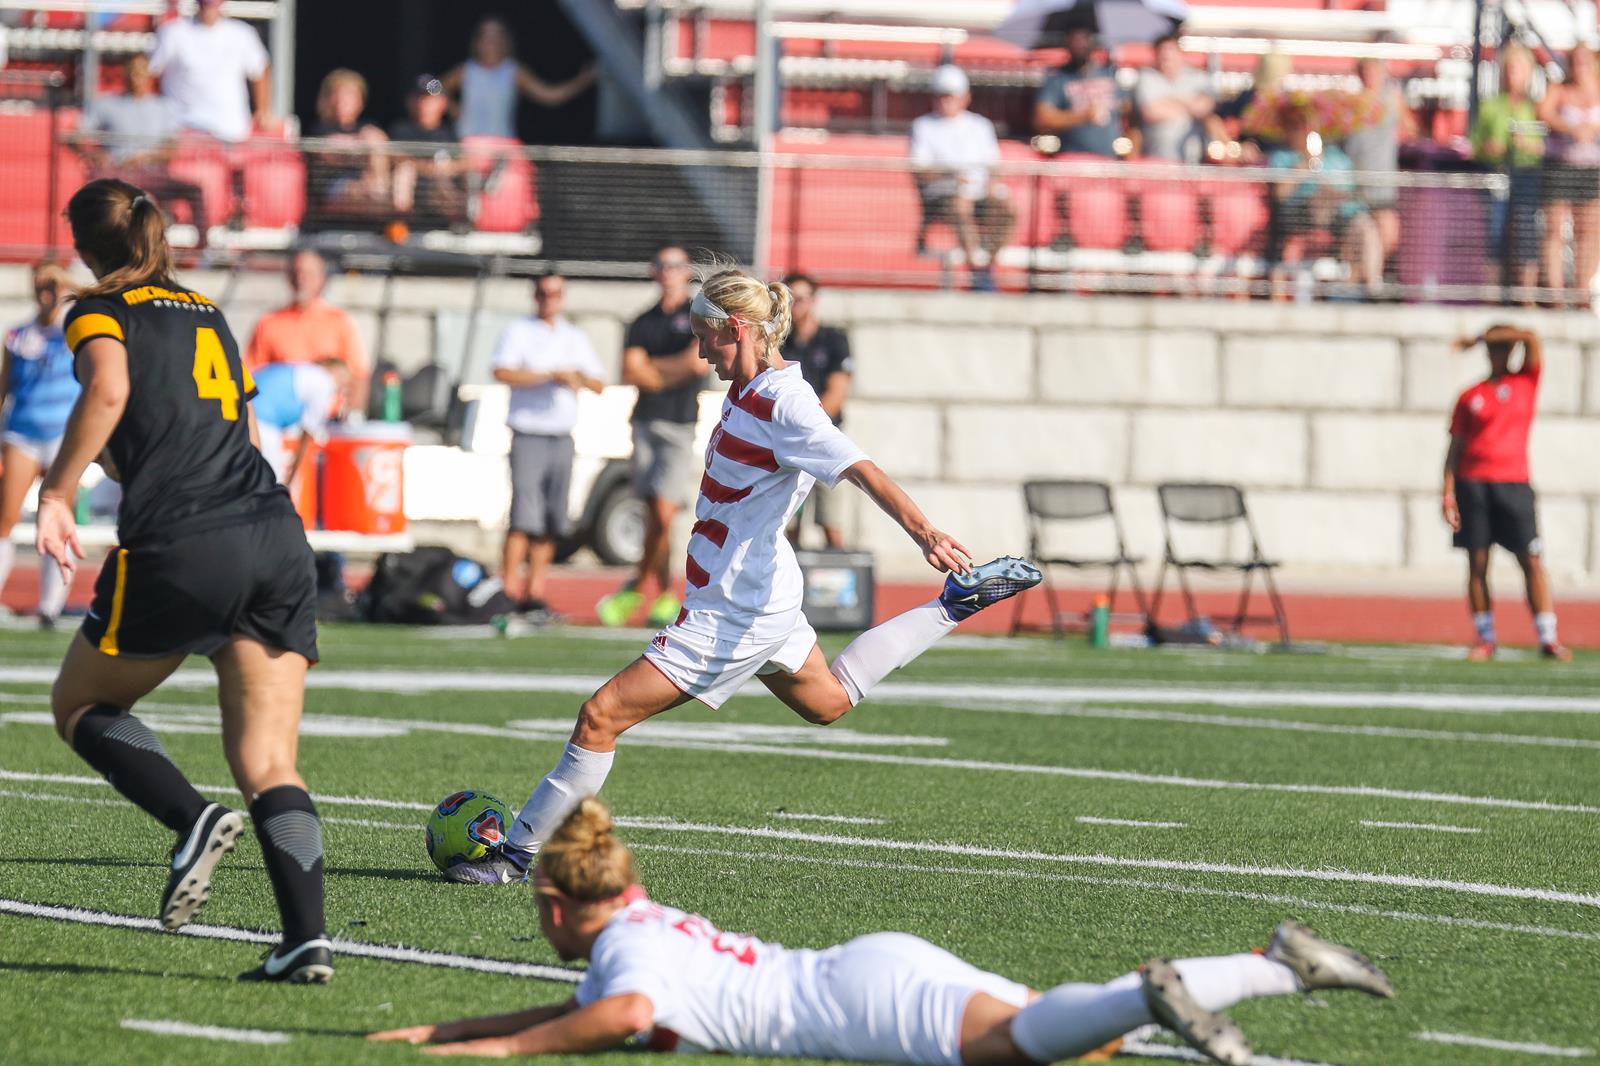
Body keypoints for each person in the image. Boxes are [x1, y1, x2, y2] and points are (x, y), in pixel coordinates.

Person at [475, 264, 1042, 882]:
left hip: (735, 609)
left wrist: (927, 533)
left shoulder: (786, 400)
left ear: (737, 329)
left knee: (600, 716)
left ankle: (517, 854)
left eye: (705, 337)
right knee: (828, 702)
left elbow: (861, 468)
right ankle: (953, 605)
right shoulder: (748, 390)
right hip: (758, 592)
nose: (699, 351)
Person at [371, 798, 1395, 1065]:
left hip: (859, 1006)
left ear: (555, 905)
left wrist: (504, 1047)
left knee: (1028, 1048)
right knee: (1079, 1035)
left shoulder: (626, 956)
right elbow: (590, 1002)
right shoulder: (640, 918)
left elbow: (622, 1011)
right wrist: (456, 1030)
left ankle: (1155, 988)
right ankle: (1275, 967)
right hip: (874, 964)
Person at [36, 178, 330, 982]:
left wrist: (57, 491)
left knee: (81, 705)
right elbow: (236, 423)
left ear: (84, 247)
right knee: (270, 759)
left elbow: (109, 388)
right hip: (272, 531)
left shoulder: (98, 309)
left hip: (185, 537)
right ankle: (306, 940)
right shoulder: (208, 310)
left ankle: (191, 818)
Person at [1442, 325, 1569, 661]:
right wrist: (1447, 492)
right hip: (1473, 484)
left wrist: (1479, 336)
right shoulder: (1470, 395)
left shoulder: (1525, 382)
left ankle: (1548, 637)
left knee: (1531, 560)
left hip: (1514, 484)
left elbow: (1532, 337)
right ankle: (1485, 639)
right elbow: (1455, 447)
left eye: (1504, 347)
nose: (1500, 353)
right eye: (1495, 348)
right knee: (1478, 562)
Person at [595, 246, 704, 629]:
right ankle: (661, 592)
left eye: (675, 265)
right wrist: (668, 371)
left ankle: (643, 585)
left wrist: (654, 370)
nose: (669, 272)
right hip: (645, 421)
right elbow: (632, 371)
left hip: (678, 422)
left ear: (686, 270)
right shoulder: (642, 320)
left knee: (664, 511)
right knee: (651, 511)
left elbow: (695, 363)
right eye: (662, 265)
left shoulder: (698, 314)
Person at [492, 273, 606, 618]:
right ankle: (507, 589)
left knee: (551, 518)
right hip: (529, 432)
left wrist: (576, 377)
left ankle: (534, 591)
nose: (549, 300)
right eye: (544, 293)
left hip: (561, 434)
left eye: (555, 294)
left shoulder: (574, 336)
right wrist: (549, 375)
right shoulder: (519, 332)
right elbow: (501, 371)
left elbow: (598, 383)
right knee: (524, 517)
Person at [0, 261, 79, 625]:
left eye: (51, 284)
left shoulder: (75, 332)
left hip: (64, 434)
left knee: (59, 515)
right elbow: (4, 387)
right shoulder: (17, 335)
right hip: (23, 433)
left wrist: (64, 287)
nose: (45, 291)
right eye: (39, 285)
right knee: (6, 519)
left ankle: (51, 605)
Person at [72, 54, 210, 248]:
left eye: (141, 72)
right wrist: (96, 155)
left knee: (194, 190)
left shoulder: (164, 108)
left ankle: (204, 250)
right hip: (117, 172)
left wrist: (147, 156)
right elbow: (75, 136)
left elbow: (171, 149)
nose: (136, 77)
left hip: (152, 172)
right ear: (124, 74)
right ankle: (93, 245)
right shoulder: (106, 104)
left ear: (150, 76)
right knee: (100, 188)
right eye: (132, 72)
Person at [910, 65, 1014, 291]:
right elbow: (920, 170)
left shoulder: (980, 126)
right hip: (942, 196)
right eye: (942, 96)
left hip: (978, 194)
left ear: (965, 98)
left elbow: (993, 166)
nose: (946, 102)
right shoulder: (923, 127)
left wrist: (991, 184)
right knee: (960, 205)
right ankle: (978, 271)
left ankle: (984, 264)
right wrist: (953, 176)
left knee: (1008, 209)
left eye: (951, 96)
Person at [1266, 102, 1384, 298]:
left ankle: (1373, 290)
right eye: (1295, 127)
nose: (1302, 132)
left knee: (1367, 229)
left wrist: (1329, 190)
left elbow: (1349, 192)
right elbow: (1280, 194)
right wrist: (1304, 166)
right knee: (1317, 202)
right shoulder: (1282, 158)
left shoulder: (1336, 158)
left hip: (1338, 218)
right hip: (1298, 218)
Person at [245, 249, 371, 412]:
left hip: (328, 422)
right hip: (282, 421)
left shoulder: (340, 322)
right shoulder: (268, 323)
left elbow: (359, 376)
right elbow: (251, 376)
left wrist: (354, 416)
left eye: (308, 273)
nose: (301, 279)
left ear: (322, 279)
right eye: (297, 272)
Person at [779, 273, 852, 550]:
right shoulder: (780, 344)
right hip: (792, 442)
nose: (796, 306)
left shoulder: (833, 339)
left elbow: (837, 394)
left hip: (825, 440)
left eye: (801, 299)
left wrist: (806, 424)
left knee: (830, 521)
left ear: (813, 301)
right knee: (788, 527)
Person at [1471, 43, 1545, 299]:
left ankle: (1527, 295)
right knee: (1495, 230)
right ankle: (1491, 294)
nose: (1515, 74)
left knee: (1526, 230)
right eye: (1511, 68)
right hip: (1498, 174)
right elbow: (1475, 145)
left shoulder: (1535, 106)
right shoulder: (1492, 106)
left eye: (1520, 68)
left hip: (1526, 175)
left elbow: (1545, 144)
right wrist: (1490, 148)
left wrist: (1528, 144)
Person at [443, 17, 596, 141]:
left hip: (502, 147)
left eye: (497, 36)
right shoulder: (465, 70)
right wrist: (451, 106)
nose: (491, 42)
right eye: (486, 36)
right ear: (477, 41)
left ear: (505, 40)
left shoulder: (513, 71)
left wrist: (582, 81)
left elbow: (550, 95)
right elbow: (431, 84)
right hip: (467, 146)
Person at [147, 0, 271, 143]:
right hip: (183, 130)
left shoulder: (242, 33)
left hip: (232, 132)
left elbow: (260, 68)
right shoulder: (172, 31)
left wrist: (263, 110)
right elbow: (150, 72)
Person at [1537, 44, 1600, 307]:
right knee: (1555, 229)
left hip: (1591, 169)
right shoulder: (1559, 89)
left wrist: (1592, 128)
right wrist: (1572, 128)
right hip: (1561, 166)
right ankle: (1556, 293)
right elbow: (1543, 112)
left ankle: (1582, 291)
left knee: (1589, 231)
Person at [1342, 58, 1416, 269]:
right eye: (1366, 71)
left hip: (1383, 181)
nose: (1370, 76)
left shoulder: (1392, 99)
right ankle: (1365, 279)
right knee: (1359, 234)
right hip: (1354, 181)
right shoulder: (1351, 102)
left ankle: (1366, 277)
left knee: (1388, 234)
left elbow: (1410, 129)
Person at [305, 68, 391, 229]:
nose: (342, 101)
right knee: (361, 191)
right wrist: (362, 145)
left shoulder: (368, 128)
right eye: (338, 95)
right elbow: (329, 152)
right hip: (334, 190)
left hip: (370, 184)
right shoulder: (320, 128)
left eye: (350, 95)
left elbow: (381, 144)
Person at [249, 359, 349, 484]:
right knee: (269, 482)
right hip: (263, 425)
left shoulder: (300, 370)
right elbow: (308, 434)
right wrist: (290, 481)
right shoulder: (324, 382)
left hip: (245, 416)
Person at [390, 74, 464, 231]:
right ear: (410, 102)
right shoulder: (401, 131)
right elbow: (395, 158)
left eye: (429, 99)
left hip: (443, 197)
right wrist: (429, 169)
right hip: (414, 199)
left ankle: (461, 223)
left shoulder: (450, 134)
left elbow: (468, 161)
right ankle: (399, 222)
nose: (423, 104)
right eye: (419, 99)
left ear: (442, 103)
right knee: (405, 170)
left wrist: (448, 168)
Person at [1033, 27, 1122, 157]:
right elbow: (1042, 119)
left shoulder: (1110, 73)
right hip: (1072, 160)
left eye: (1084, 39)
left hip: (1109, 161)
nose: (1080, 44)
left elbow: (1131, 118)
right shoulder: (1058, 78)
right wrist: (1083, 116)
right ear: (1067, 44)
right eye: (1075, 40)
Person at [1135, 34, 1216, 164]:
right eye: (1163, 55)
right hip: (1156, 158)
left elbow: (1203, 108)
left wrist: (1168, 101)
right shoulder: (1147, 77)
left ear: (1180, 53)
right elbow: (1150, 112)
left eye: (1170, 53)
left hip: (1193, 158)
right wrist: (1188, 106)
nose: (1167, 59)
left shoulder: (1197, 77)